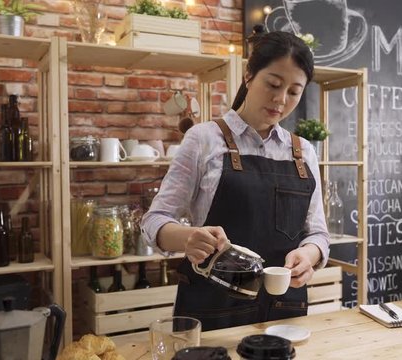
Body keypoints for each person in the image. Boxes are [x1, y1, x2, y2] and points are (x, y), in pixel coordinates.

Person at [140, 31, 330, 331]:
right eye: (273, 84)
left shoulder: (303, 151)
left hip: (285, 311)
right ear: (249, 75)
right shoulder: (203, 139)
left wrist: (309, 255)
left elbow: (318, 233)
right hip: (212, 311)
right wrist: (188, 238)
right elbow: (154, 221)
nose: (280, 100)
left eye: (294, 92)